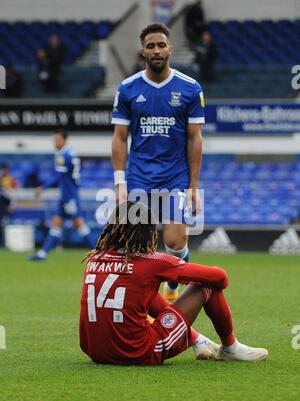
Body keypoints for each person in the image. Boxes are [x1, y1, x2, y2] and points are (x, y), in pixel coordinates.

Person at [80, 201, 268, 365]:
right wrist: (179, 274)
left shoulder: (95, 259)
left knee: (142, 290)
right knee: (207, 285)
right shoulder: (153, 262)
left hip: (95, 352)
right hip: (137, 352)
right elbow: (220, 277)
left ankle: (199, 340)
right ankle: (230, 348)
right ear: (148, 231)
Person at [111, 22, 205, 302]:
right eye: (150, 46)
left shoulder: (190, 88)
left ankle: (173, 286)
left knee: (175, 242)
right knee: (138, 246)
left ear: (170, 48)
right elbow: (119, 138)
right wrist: (120, 182)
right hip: (139, 174)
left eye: (161, 45)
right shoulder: (127, 89)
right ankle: (146, 305)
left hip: (175, 175)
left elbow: (195, 139)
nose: (156, 50)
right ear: (142, 51)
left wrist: (194, 185)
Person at [29, 129, 94, 261]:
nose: (55, 142)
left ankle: (96, 251)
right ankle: (43, 253)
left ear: (64, 140)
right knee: (56, 224)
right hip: (67, 194)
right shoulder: (71, 153)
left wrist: (42, 188)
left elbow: (58, 176)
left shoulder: (63, 155)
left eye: (58, 140)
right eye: (54, 140)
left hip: (69, 196)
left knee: (79, 224)